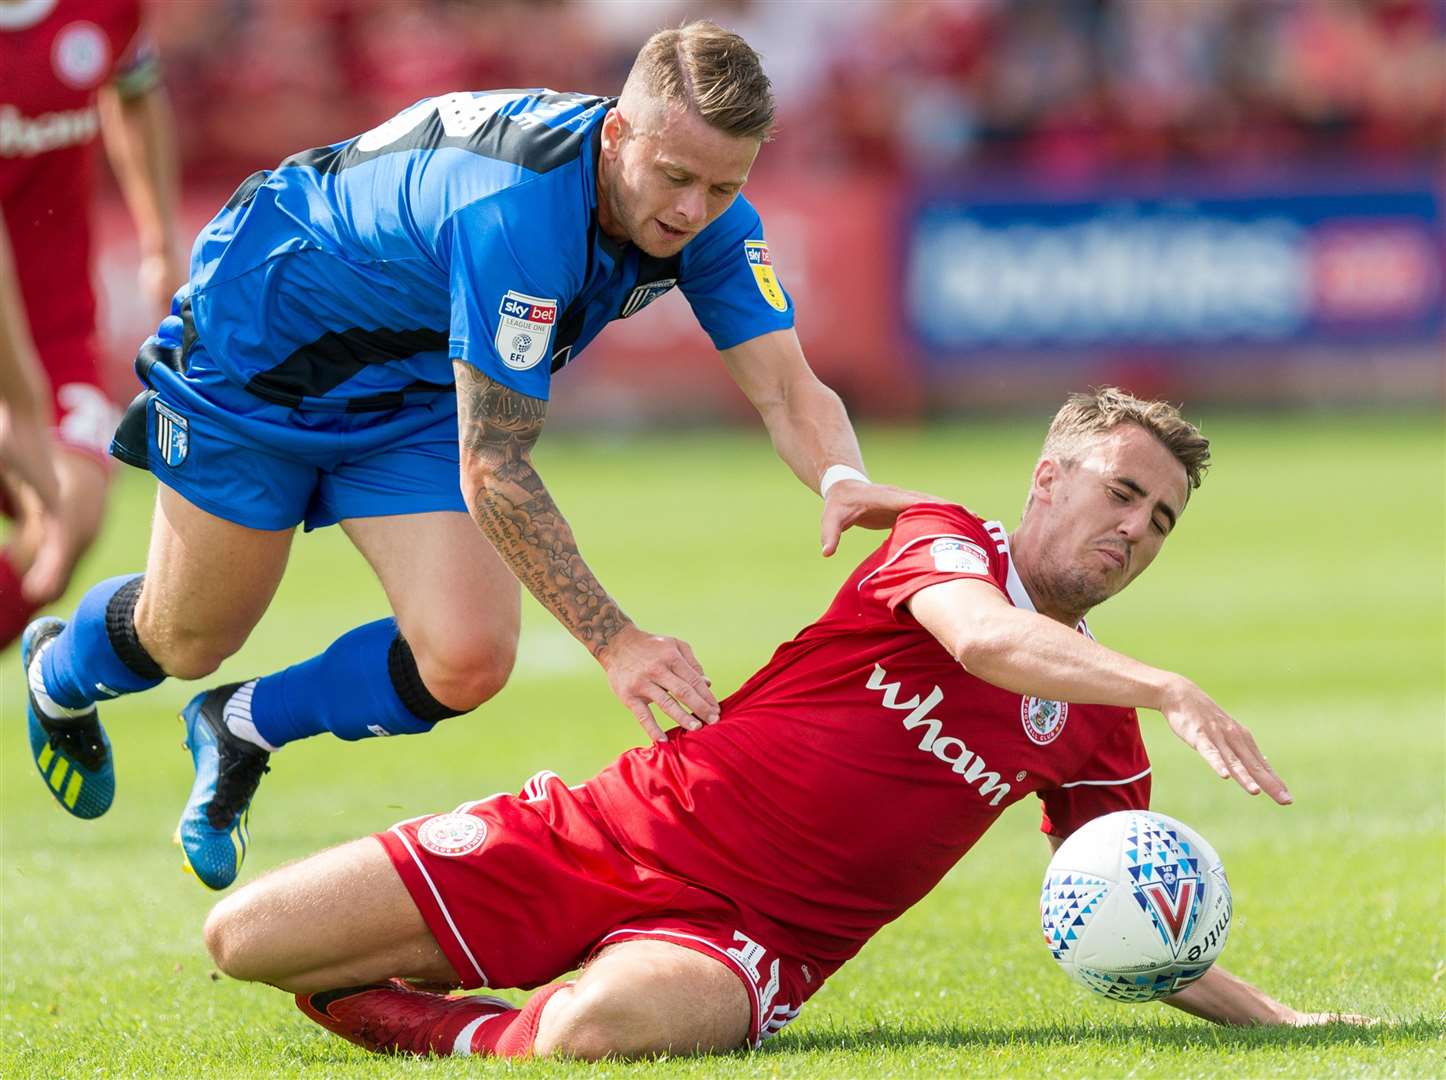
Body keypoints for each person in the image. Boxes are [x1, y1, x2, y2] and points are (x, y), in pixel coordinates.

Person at [200, 388, 1366, 1061]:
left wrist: (1283, 1023)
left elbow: (1126, 914)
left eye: (1160, 519)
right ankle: (436, 953)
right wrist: (1167, 682)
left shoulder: (1099, 725)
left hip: (758, 947)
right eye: (1121, 492)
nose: (1136, 529)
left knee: (587, 1037)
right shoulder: (950, 539)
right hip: (614, 825)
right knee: (241, 940)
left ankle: (457, 1033)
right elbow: (980, 639)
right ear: (1048, 482)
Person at [18, 21, 921, 887]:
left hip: (411, 383)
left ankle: (241, 726)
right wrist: (619, 643)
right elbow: (493, 466)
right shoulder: (517, 214)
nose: (693, 209)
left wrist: (841, 477)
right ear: (617, 134)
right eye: (676, 176)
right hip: (257, 354)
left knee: (466, 658)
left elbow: (790, 389)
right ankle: (59, 672)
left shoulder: (709, 215)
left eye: (723, 188)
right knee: (191, 636)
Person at [1, 0, 182, 646]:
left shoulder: (105, 9)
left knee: (67, 517)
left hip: (55, 328)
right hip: (14, 342)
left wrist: (160, 243)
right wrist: (20, 410)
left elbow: (133, 92)